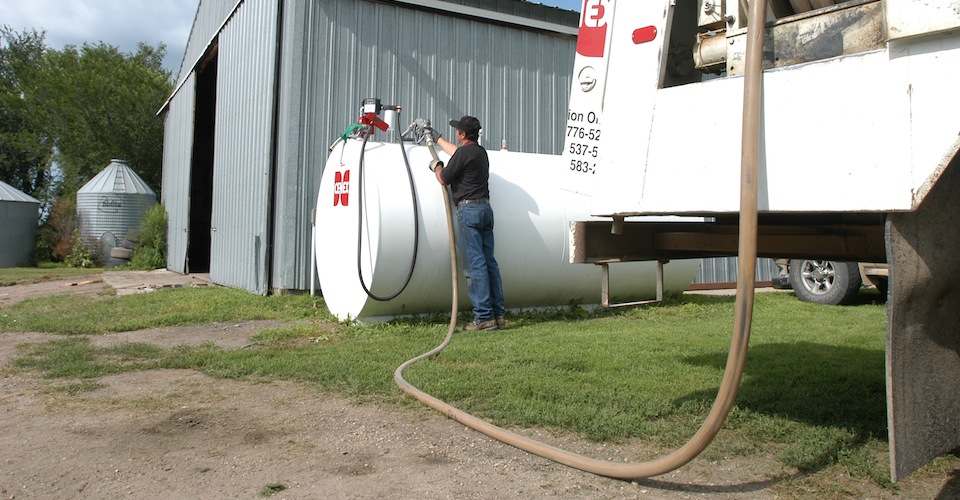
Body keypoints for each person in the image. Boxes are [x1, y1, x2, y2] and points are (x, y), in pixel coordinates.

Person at [431, 115, 506, 331]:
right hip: (485, 210)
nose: (456, 132)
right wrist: (436, 137)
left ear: (463, 134)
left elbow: (444, 178)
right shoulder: (479, 152)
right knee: (489, 262)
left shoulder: (464, 153)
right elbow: (458, 154)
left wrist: (437, 166)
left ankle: (483, 318)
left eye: (457, 130)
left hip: (469, 210)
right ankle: (498, 315)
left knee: (475, 265)